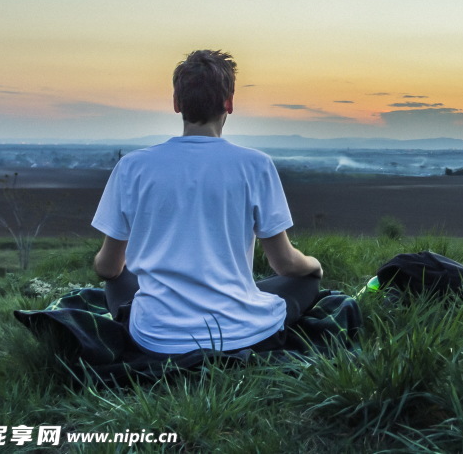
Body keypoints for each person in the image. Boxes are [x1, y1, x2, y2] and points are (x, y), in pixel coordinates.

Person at [91, 49, 323, 355]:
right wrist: (314, 266)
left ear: (176, 103)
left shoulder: (132, 167)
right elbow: (284, 264)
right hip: (239, 333)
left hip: (156, 337)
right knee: (305, 282)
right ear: (229, 103)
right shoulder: (255, 165)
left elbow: (107, 268)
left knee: (118, 277)